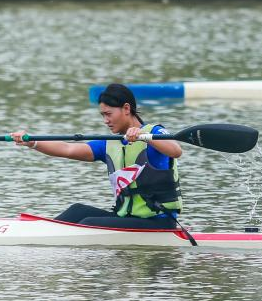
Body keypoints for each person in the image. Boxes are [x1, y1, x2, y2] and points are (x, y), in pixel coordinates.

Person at [10, 83, 184, 228]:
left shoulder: (154, 132)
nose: (105, 121)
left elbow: (176, 151)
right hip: (128, 219)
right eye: (103, 115)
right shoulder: (110, 143)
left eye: (108, 114)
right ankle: (41, 234)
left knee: (89, 222)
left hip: (159, 221)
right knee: (77, 210)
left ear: (126, 108)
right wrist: (32, 142)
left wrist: (143, 137)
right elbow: (67, 149)